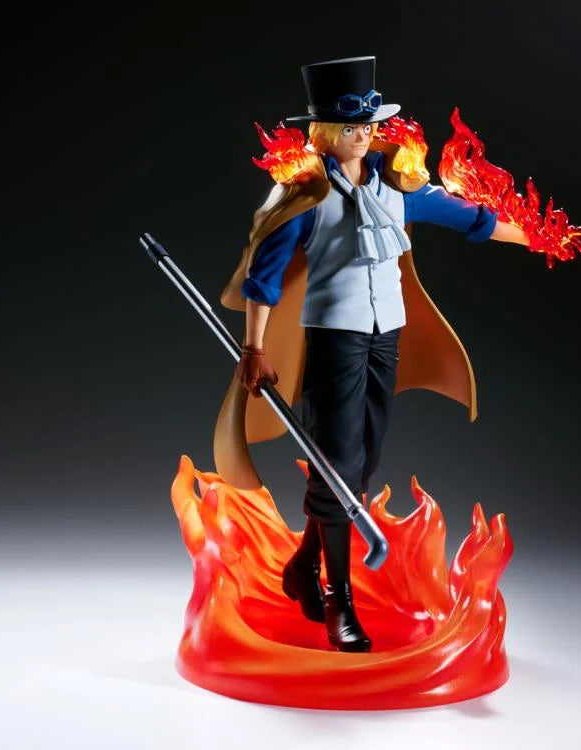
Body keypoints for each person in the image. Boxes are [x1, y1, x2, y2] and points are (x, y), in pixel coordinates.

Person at [216, 57, 530, 653]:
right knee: (336, 464)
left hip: (387, 336)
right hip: (333, 337)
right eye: (348, 127)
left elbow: (472, 219)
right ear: (325, 132)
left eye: (366, 125)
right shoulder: (304, 192)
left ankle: (302, 566)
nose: (360, 135)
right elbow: (264, 276)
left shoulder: (399, 185)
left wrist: (534, 238)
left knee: (360, 465)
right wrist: (253, 347)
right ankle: (338, 598)